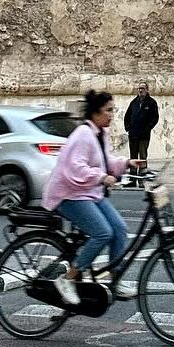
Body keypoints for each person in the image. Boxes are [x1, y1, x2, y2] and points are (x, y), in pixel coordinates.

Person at [42, 89, 134, 304]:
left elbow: (105, 160)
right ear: (95, 112)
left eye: (113, 110)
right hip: (69, 194)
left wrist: (126, 164)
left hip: (88, 192)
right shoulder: (83, 135)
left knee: (119, 229)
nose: (112, 115)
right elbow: (75, 168)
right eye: (108, 110)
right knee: (102, 233)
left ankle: (115, 279)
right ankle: (67, 279)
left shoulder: (99, 133)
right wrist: (102, 177)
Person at [123, 82, 160, 162]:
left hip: (144, 135)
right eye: (139, 88)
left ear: (147, 90)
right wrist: (128, 127)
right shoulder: (133, 102)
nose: (140, 90)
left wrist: (148, 128)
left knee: (143, 155)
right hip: (133, 134)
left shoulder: (151, 102)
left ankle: (142, 171)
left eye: (143, 88)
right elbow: (127, 116)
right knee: (133, 155)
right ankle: (133, 171)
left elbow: (155, 118)